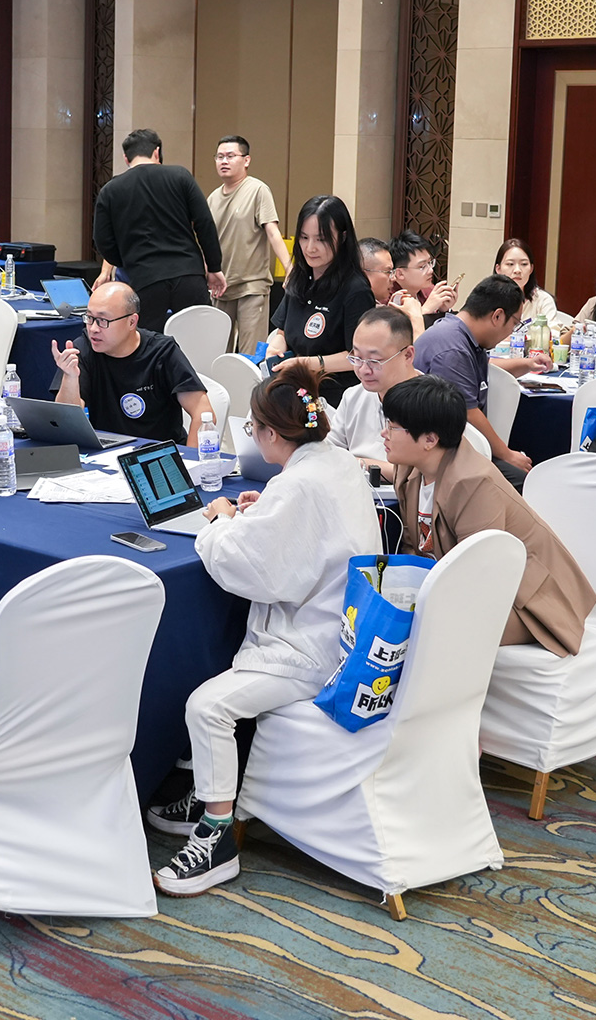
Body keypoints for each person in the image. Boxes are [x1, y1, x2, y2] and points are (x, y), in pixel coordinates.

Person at [148, 373, 379, 896]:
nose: (252, 435)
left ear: (272, 434)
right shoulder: (336, 461)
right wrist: (264, 513)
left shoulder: (297, 484)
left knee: (207, 707)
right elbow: (301, 533)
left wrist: (221, 520)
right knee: (214, 673)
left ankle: (216, 837)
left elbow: (248, 565)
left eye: (253, 428)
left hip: (313, 648)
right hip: (342, 628)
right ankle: (208, 791)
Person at [380, 375, 596, 655]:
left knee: (430, 628)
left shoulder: (474, 483)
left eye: (393, 427)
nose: (384, 433)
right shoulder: (409, 466)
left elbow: (480, 572)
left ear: (430, 440)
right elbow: (413, 546)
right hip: (461, 588)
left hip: (526, 600)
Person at [92, 128, 227, 332]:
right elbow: (204, 223)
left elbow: (103, 240)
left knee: (147, 341)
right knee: (198, 338)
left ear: (126, 158)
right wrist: (214, 267)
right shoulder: (180, 176)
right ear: (157, 152)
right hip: (188, 274)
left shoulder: (110, 190)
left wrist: (127, 261)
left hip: (144, 278)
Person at [51, 283, 213, 446]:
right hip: (107, 452)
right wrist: (70, 378)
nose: (93, 328)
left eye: (102, 320)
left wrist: (190, 459)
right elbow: (67, 422)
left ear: (131, 322)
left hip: (161, 453)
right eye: (89, 318)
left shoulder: (162, 351)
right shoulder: (82, 349)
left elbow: (203, 412)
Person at [412, 276, 534, 487]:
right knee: (523, 483)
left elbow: (489, 371)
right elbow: (468, 413)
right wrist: (507, 454)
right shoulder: (452, 350)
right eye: (515, 323)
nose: (511, 331)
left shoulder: (459, 333)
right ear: (497, 316)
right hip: (438, 452)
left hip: (453, 445)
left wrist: (527, 364)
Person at [265, 195, 377, 406]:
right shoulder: (299, 277)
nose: (310, 248)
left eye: (321, 239)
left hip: (335, 397)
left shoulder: (355, 290)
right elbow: (282, 331)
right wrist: (275, 348)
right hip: (295, 389)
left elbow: (357, 356)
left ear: (342, 237)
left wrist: (308, 363)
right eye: (304, 237)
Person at [206, 135, 291, 353]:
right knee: (218, 352)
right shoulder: (212, 198)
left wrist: (290, 268)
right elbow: (208, 242)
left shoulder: (257, 190)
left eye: (230, 156)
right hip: (221, 287)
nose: (224, 161)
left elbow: (273, 233)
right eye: (219, 157)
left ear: (246, 160)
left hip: (252, 286)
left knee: (250, 354)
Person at [327, 305, 422, 473]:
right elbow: (328, 454)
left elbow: (425, 473)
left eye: (374, 361)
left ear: (407, 355)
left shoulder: (431, 404)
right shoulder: (353, 396)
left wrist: (357, 463)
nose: (364, 370)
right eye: (357, 357)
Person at [388, 230, 458, 322]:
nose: (431, 270)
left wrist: (443, 309)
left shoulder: (428, 289)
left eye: (430, 262)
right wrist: (426, 310)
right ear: (400, 273)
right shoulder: (388, 299)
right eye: (422, 266)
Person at [494, 237, 557, 324]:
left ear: (531, 269)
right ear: (498, 269)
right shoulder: (486, 299)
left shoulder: (543, 300)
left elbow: (553, 331)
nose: (517, 270)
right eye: (510, 264)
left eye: (524, 264)